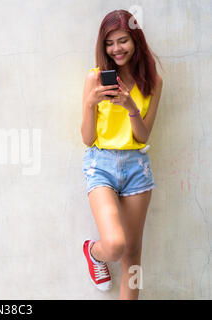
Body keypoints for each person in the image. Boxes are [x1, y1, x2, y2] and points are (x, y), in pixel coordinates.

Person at [80, 9, 163, 300]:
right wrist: (91, 104)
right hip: (100, 164)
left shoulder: (153, 82)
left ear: (136, 40)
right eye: (109, 42)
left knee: (132, 254)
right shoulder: (95, 79)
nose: (116, 49)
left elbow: (143, 137)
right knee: (114, 245)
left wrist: (130, 107)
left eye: (123, 40)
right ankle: (92, 251)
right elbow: (87, 138)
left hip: (137, 167)